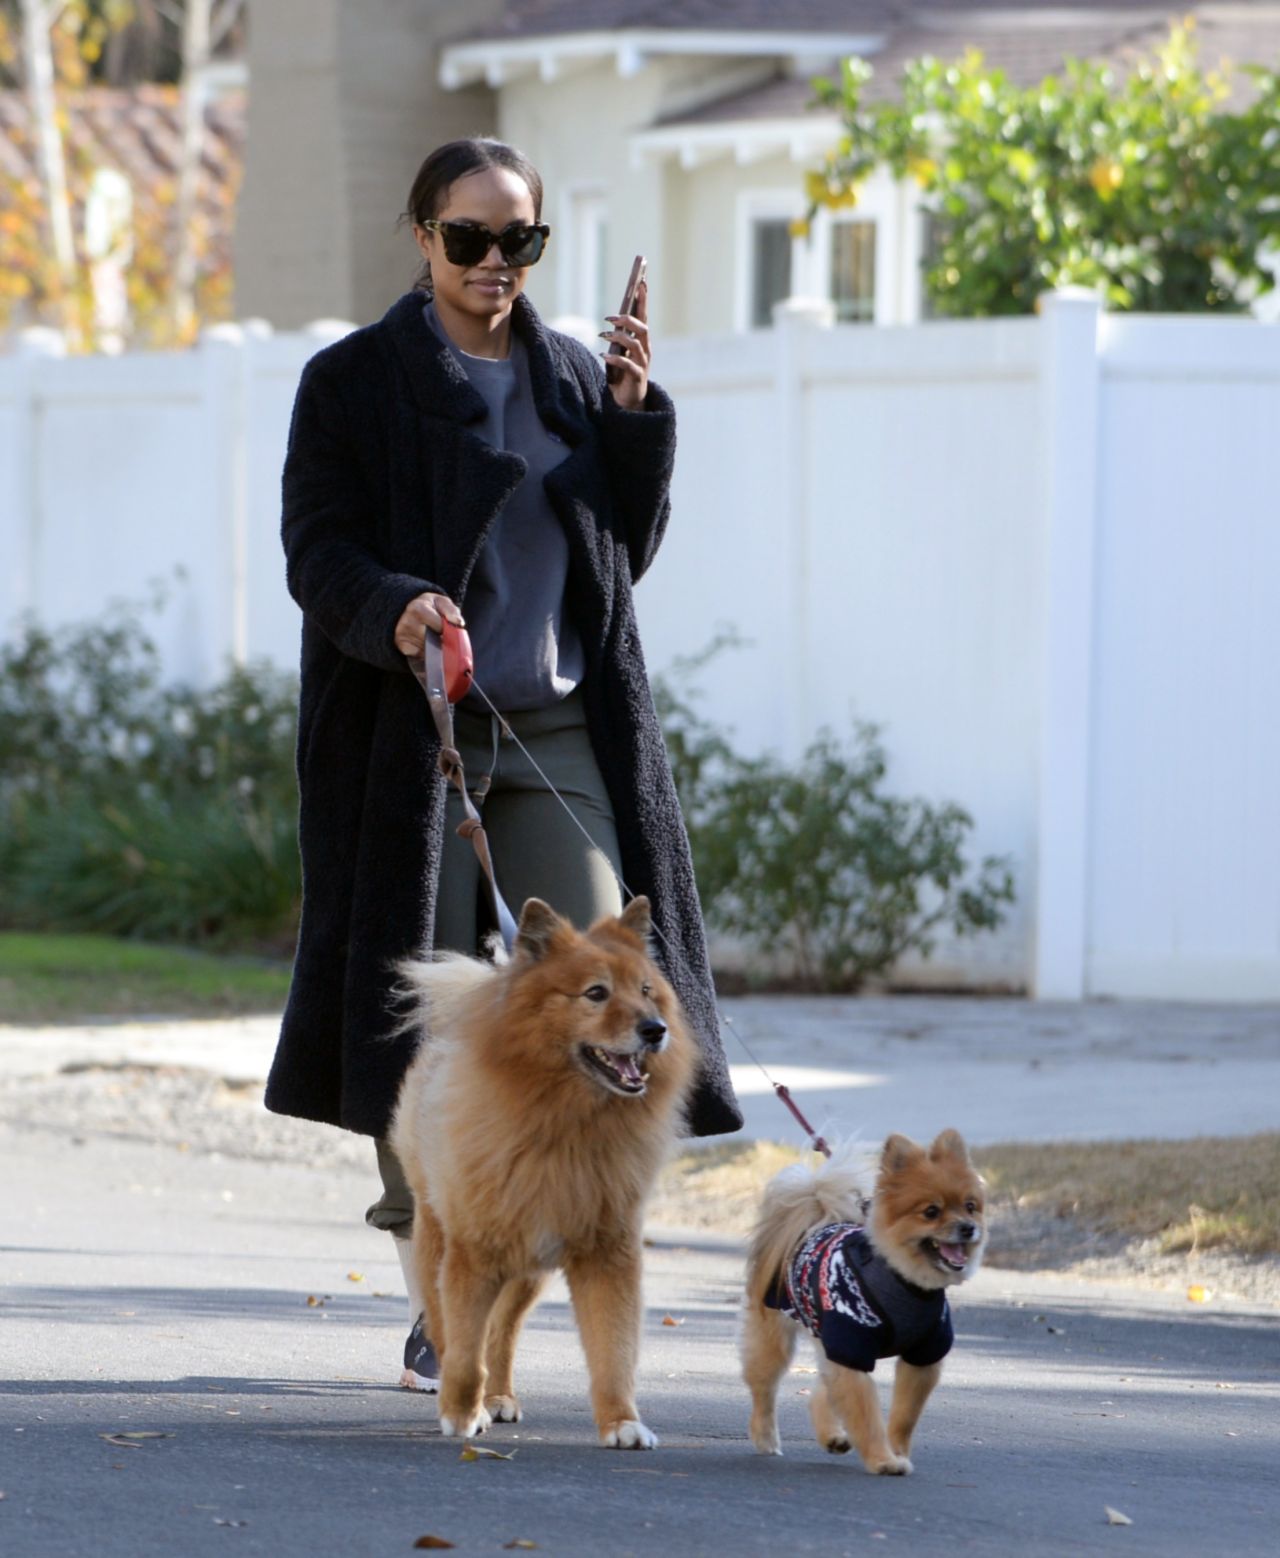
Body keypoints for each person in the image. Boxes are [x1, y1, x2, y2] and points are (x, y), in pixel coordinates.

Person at [264, 137, 742, 1387]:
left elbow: (618, 552)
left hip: (561, 726)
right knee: (423, 1018)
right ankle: (445, 1267)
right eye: (468, 238)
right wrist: (401, 606)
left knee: (604, 975)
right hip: (405, 734)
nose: (493, 264)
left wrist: (633, 428)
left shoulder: (573, 375)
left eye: (516, 242)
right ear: (420, 237)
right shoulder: (353, 383)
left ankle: (580, 1225)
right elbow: (316, 553)